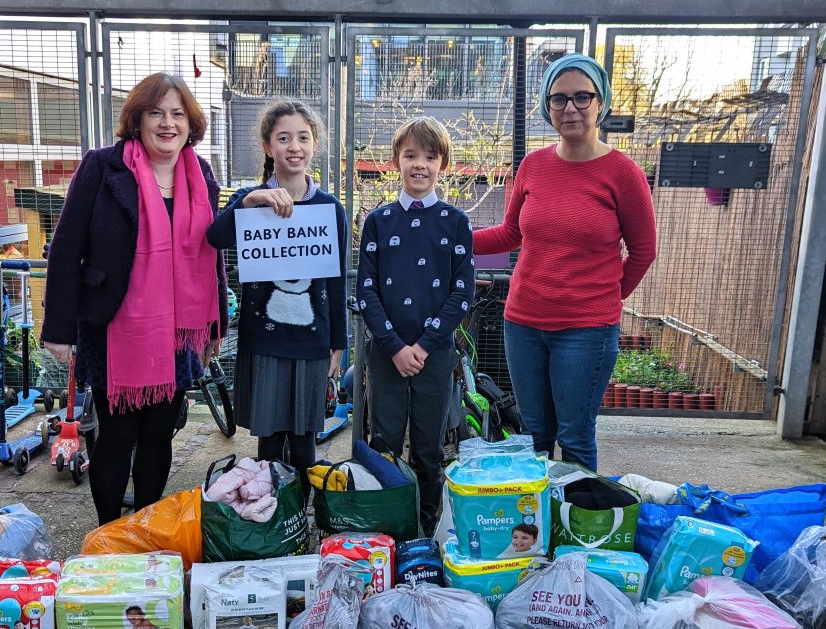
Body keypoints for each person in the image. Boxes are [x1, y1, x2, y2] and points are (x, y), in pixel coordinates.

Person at [41, 72, 229, 527]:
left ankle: (142, 527)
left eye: (177, 114)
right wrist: (59, 330)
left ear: (190, 123)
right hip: (114, 326)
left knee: (160, 434)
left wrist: (216, 322)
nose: (167, 123)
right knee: (117, 436)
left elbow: (210, 251)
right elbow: (66, 247)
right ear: (138, 119)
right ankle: (110, 533)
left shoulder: (199, 171)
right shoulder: (102, 166)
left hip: (178, 330)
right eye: (156, 113)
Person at [473, 53, 656, 471]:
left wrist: (603, 300)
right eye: (559, 99)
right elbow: (510, 234)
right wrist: (449, 238)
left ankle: (578, 529)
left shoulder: (624, 173)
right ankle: (534, 530)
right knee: (533, 435)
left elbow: (643, 252)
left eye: (581, 97)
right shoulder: (533, 166)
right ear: (546, 105)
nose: (570, 108)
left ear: (600, 102)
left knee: (574, 435)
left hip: (586, 332)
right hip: (522, 324)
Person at [207, 100, 347, 501]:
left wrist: (339, 343)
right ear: (268, 146)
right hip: (264, 341)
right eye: (283, 138)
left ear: (314, 144)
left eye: (302, 137)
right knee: (268, 441)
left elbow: (336, 282)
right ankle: (266, 512)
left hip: (311, 342)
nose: (294, 146)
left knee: (304, 442)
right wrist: (246, 203)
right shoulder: (251, 199)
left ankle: (298, 515)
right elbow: (214, 238)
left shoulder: (329, 209)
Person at [356, 116, 475, 535]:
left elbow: (462, 292)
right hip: (387, 353)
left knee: (428, 448)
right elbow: (365, 291)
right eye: (410, 155)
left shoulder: (455, 222)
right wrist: (393, 345)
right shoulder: (378, 221)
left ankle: (426, 530)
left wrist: (423, 346)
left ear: (443, 163)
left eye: (429, 156)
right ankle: (387, 528)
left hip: (435, 354)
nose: (419, 164)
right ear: (396, 162)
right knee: (385, 442)